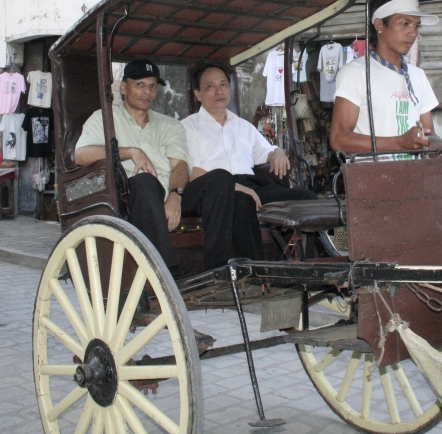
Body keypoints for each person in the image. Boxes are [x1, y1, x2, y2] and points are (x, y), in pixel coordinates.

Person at [181, 62, 316, 270]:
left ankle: (295, 266)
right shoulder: (188, 127)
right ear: (198, 94)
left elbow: (265, 152)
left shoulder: (243, 126)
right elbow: (195, 174)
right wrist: (236, 187)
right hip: (215, 190)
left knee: (307, 199)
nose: (219, 91)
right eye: (210, 86)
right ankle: (258, 270)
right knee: (241, 198)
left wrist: (277, 152)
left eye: (224, 85)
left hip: (251, 184)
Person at [73, 59, 191, 278]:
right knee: (145, 181)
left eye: (152, 86)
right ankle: (169, 271)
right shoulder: (103, 118)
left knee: (219, 181)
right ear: (123, 88)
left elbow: (180, 165)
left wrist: (175, 196)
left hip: (169, 192)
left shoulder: (170, 125)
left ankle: (224, 270)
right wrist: (129, 152)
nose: (147, 91)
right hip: (132, 195)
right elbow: (81, 155)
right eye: (140, 84)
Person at [331, 0, 441, 157]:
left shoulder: (417, 75)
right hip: (373, 181)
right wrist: (399, 143)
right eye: (405, 23)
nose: (413, 33)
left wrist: (441, 148)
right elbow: (339, 139)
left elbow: (429, 134)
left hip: (415, 179)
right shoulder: (356, 73)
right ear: (380, 24)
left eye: (416, 25)